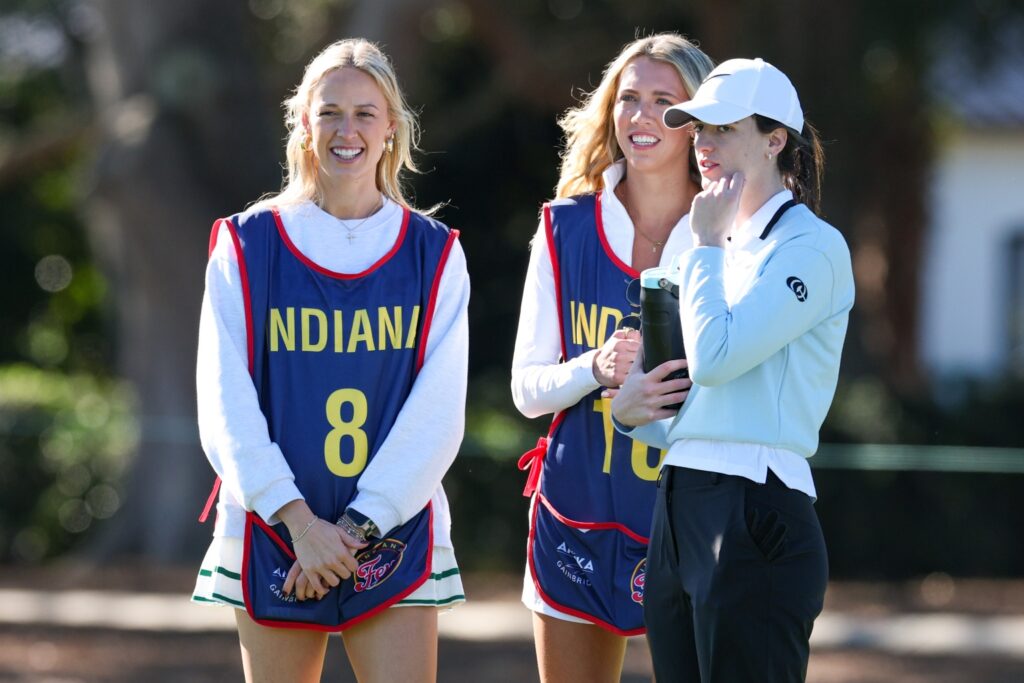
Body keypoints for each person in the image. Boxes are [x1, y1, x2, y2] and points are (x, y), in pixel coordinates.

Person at [190, 38, 469, 683]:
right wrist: (299, 524)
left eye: (366, 113)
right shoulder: (245, 243)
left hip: (392, 526)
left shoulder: (435, 252)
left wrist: (354, 525)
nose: (348, 130)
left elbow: (437, 411)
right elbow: (223, 399)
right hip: (274, 527)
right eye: (330, 112)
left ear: (392, 128)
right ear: (304, 125)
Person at [611, 58, 855, 682]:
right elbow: (689, 403)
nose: (704, 145)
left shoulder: (813, 247)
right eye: (697, 130)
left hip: (757, 507)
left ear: (777, 141)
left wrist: (703, 249)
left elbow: (718, 359)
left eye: (723, 128)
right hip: (679, 501)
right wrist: (632, 413)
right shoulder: (712, 245)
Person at [511, 34, 713, 682]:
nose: (641, 116)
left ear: (698, 121)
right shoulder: (562, 225)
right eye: (628, 98)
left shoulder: (731, 234)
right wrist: (593, 369)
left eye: (664, 100)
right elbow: (526, 388)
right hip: (576, 513)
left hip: (693, 520)